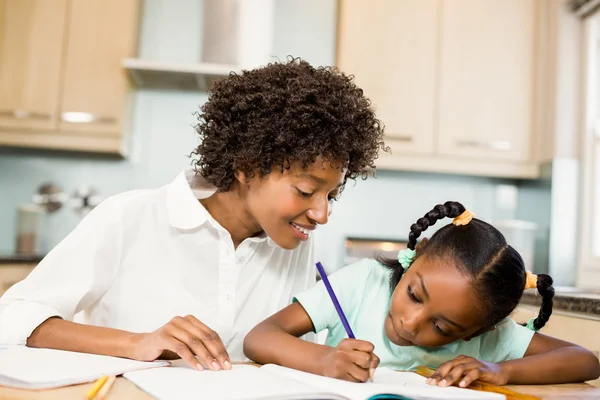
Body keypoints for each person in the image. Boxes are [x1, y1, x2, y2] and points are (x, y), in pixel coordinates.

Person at [0, 58, 386, 372]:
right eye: (306, 191)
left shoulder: (295, 242)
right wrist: (139, 343)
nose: (322, 213)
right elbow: (12, 319)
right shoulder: (130, 217)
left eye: (331, 195)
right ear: (247, 166)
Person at [244, 201, 600, 386]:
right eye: (414, 294)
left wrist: (501, 370)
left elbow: (585, 360)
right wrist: (324, 360)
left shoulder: (487, 338)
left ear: (475, 332)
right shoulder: (363, 283)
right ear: (418, 253)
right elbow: (260, 338)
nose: (411, 324)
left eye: (443, 329)